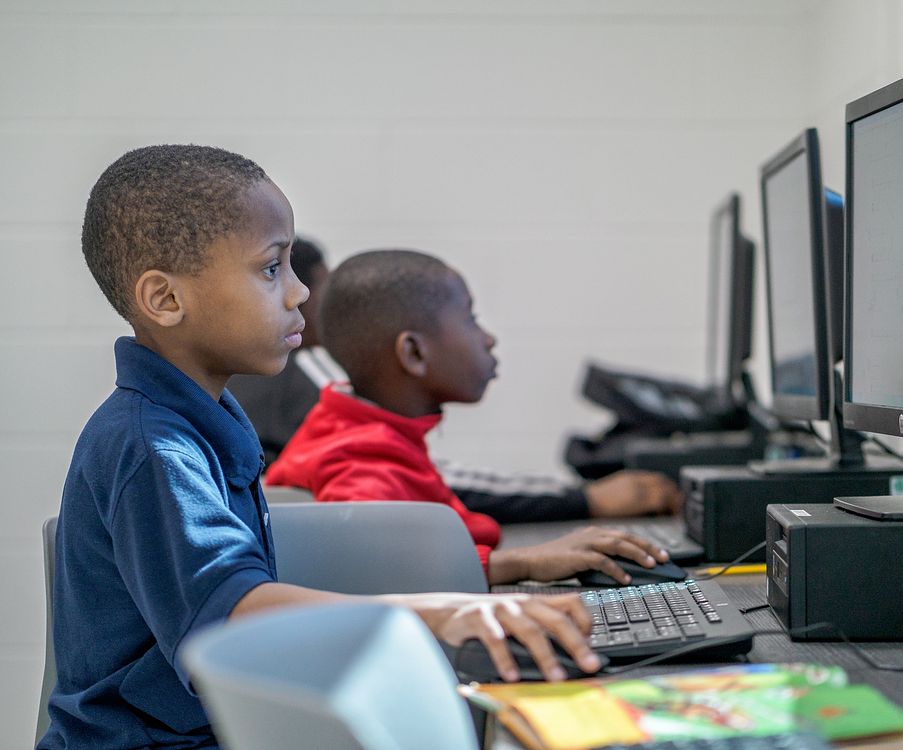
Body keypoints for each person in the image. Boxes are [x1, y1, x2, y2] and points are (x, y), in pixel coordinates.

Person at [41, 146, 602, 750]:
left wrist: (505, 569)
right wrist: (442, 613)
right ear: (166, 300)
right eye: (270, 269)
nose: (300, 292)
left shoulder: (203, 417)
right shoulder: (152, 447)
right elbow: (231, 611)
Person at [266, 249, 673, 586]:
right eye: (470, 319)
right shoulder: (359, 459)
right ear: (414, 354)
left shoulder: (368, 431)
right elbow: (378, 571)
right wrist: (525, 563)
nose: (488, 338)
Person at [227, 236, 334, 465]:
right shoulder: (304, 378)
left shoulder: (226, 367)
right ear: (298, 294)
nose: (334, 307)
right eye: (325, 292)